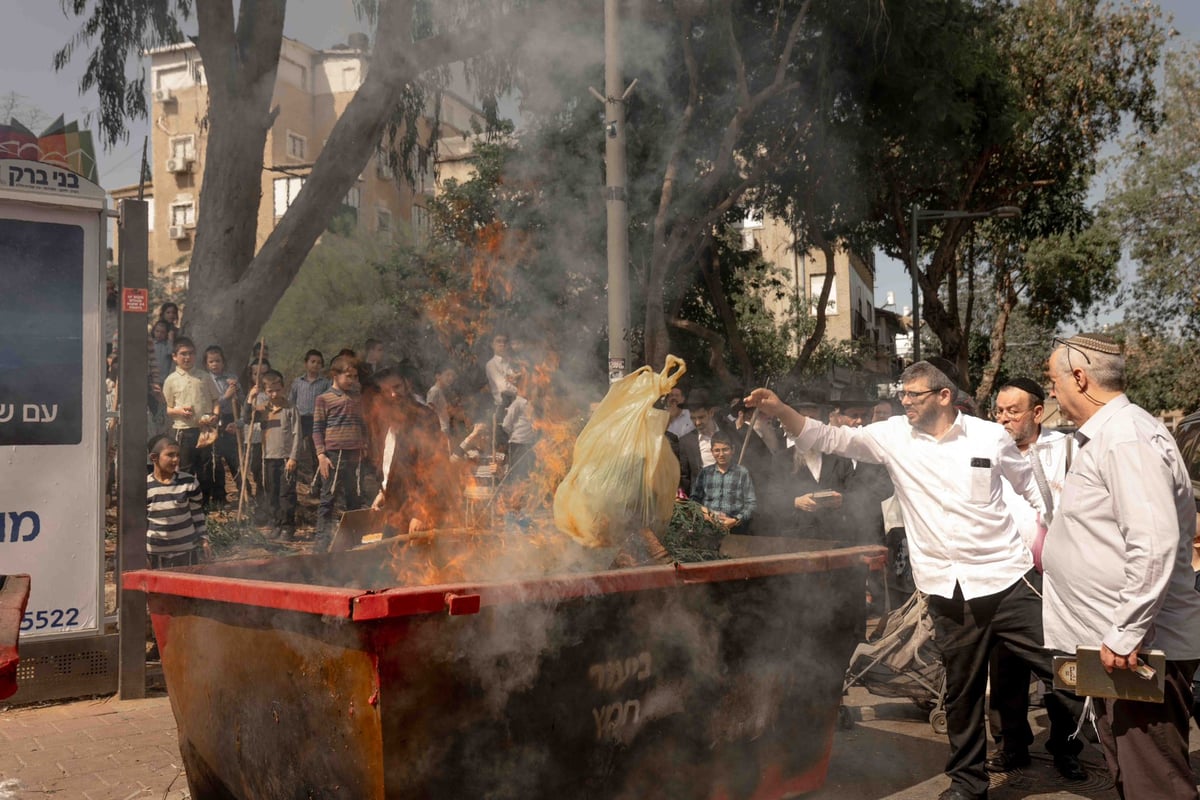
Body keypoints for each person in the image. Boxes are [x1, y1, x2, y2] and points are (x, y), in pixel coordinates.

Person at [747, 360, 1074, 800]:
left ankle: (1094, 744)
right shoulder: (892, 436)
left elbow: (1032, 490)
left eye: (912, 395)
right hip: (947, 591)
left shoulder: (988, 436)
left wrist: (1060, 547)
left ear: (943, 396)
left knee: (1065, 668)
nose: (904, 403)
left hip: (1006, 579)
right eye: (902, 395)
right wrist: (783, 410)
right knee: (962, 692)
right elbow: (831, 437)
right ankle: (968, 784)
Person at [1043, 333, 1200, 799]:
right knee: (1131, 772)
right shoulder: (1111, 434)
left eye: (1053, 381)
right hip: (1117, 646)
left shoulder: (1126, 437)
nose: (1051, 391)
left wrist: (1127, 631)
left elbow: (1152, 542)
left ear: (1079, 377)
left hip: (1139, 651)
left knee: (1155, 780)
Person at [985, 376, 1084, 780]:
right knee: (1005, 668)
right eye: (999, 411)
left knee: (1061, 665)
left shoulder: (1067, 448)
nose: (1004, 419)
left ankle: (1066, 746)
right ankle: (1013, 746)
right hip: (1004, 577)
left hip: (1059, 579)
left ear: (1038, 412)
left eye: (1013, 411)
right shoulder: (987, 448)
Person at [370, 364, 459, 534]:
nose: (393, 394)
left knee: (415, 559)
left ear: (407, 385)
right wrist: (383, 491)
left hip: (417, 510)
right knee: (388, 557)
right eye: (386, 390)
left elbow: (434, 468)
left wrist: (421, 513)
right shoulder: (384, 420)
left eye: (397, 387)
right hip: (393, 507)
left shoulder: (424, 417)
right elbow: (391, 463)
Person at [312, 354, 367, 549]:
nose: (352, 380)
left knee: (354, 498)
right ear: (335, 375)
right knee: (329, 498)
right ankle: (321, 544)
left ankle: (354, 540)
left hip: (355, 455)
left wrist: (364, 445)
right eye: (348, 376)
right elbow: (317, 429)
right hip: (334, 456)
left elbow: (362, 425)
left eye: (355, 376)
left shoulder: (357, 398)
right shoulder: (323, 399)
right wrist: (321, 455)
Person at [161, 337, 222, 482]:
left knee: (206, 466)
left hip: (205, 430)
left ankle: (206, 501)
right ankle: (187, 499)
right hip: (184, 430)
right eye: (183, 354)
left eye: (191, 353)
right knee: (186, 467)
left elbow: (216, 400)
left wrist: (215, 415)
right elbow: (167, 409)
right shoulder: (171, 380)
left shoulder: (204, 377)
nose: (187, 357)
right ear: (175, 357)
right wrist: (179, 411)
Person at [146, 436, 210, 568]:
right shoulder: (145, 486)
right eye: (170, 455)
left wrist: (204, 540)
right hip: (155, 554)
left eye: (177, 455)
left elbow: (197, 514)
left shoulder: (189, 482)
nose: (175, 460)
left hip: (186, 553)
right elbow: (141, 522)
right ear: (154, 458)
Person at [259, 370, 301, 540]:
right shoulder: (263, 410)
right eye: (270, 391)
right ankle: (276, 524)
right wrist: (249, 398)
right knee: (272, 493)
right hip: (268, 458)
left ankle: (287, 527)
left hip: (286, 459)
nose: (274, 394)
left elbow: (297, 433)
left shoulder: (290, 408)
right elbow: (247, 418)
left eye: (277, 389)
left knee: (286, 495)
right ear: (264, 391)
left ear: (283, 388)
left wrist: (293, 457)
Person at [689, 430, 756, 531]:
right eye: (717, 450)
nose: (721, 454)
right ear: (711, 451)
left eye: (725, 450)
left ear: (732, 450)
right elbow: (694, 500)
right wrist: (704, 513)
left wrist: (735, 520)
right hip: (708, 527)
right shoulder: (705, 473)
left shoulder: (742, 473)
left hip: (735, 529)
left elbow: (751, 504)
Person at [201, 345, 241, 507]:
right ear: (206, 364)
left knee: (234, 458)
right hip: (213, 420)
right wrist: (226, 397)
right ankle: (219, 497)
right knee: (216, 459)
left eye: (218, 361)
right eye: (211, 361)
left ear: (223, 362)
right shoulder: (205, 380)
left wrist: (236, 392)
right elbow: (209, 404)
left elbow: (242, 399)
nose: (215, 364)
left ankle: (245, 493)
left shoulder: (231, 378)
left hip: (230, 419)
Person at [289, 349, 332, 492]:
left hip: (317, 420)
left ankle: (316, 486)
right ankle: (292, 483)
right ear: (306, 364)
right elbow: (291, 401)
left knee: (317, 453)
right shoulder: (297, 382)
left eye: (319, 363)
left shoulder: (325, 383)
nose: (315, 365)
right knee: (295, 451)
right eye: (312, 362)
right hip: (300, 420)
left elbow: (328, 402)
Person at [485, 333, 519, 405]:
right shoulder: (491, 365)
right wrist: (522, 391)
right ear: (492, 345)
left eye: (505, 342)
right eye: (498, 341)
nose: (502, 344)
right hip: (504, 407)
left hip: (519, 403)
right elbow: (503, 387)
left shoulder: (511, 362)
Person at [426, 365, 456, 437]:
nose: (451, 378)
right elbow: (429, 411)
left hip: (445, 430)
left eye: (453, 376)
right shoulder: (434, 391)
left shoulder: (440, 391)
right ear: (438, 376)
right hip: (440, 432)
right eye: (447, 375)